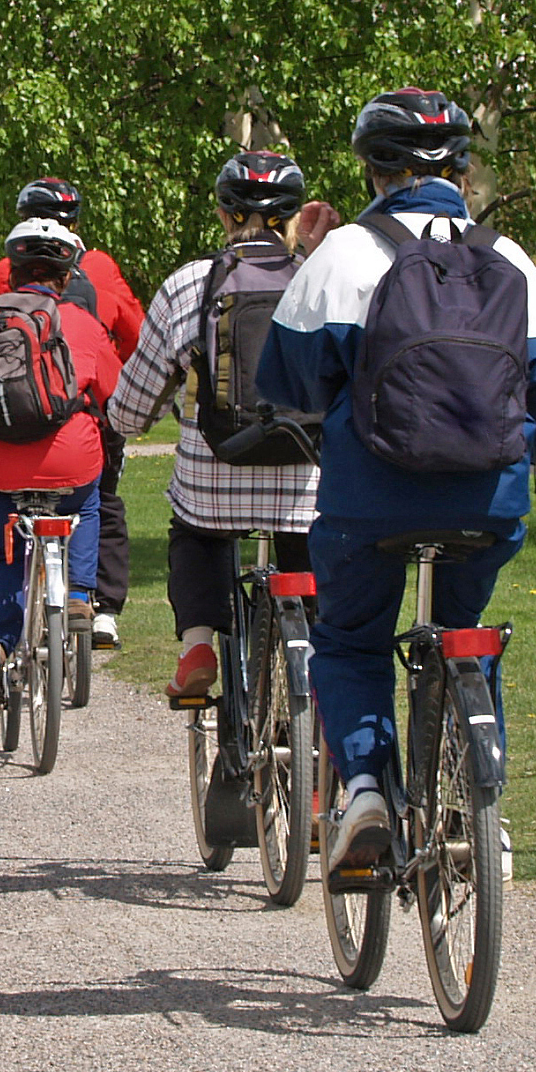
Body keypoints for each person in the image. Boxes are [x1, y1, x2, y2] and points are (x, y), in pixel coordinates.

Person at [258, 90, 536, 865]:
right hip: (488, 498)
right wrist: (530, 448)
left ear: (373, 169)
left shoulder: (346, 253)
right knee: (464, 631)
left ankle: (368, 791)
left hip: (369, 502)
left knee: (349, 639)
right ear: (464, 169)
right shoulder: (509, 259)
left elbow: (285, 379)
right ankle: (479, 806)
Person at [106, 151, 325, 701]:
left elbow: (131, 409)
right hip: (307, 481)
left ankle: (199, 642)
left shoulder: (191, 285)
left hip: (216, 480)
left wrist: (131, 419)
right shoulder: (322, 281)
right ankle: (317, 655)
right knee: (309, 532)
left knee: (194, 529)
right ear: (294, 217)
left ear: (225, 216)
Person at [0, 218, 122, 711]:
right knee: (88, 501)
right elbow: (119, 399)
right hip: (70, 464)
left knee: (0, 552)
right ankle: (79, 594)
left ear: (12, 272)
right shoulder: (81, 323)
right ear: (65, 276)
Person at [0, 178, 144, 652]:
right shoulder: (100, 267)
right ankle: (100, 609)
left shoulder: (7, 269)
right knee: (101, 501)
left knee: (0, 534)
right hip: (85, 413)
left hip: (5, 427)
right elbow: (134, 331)